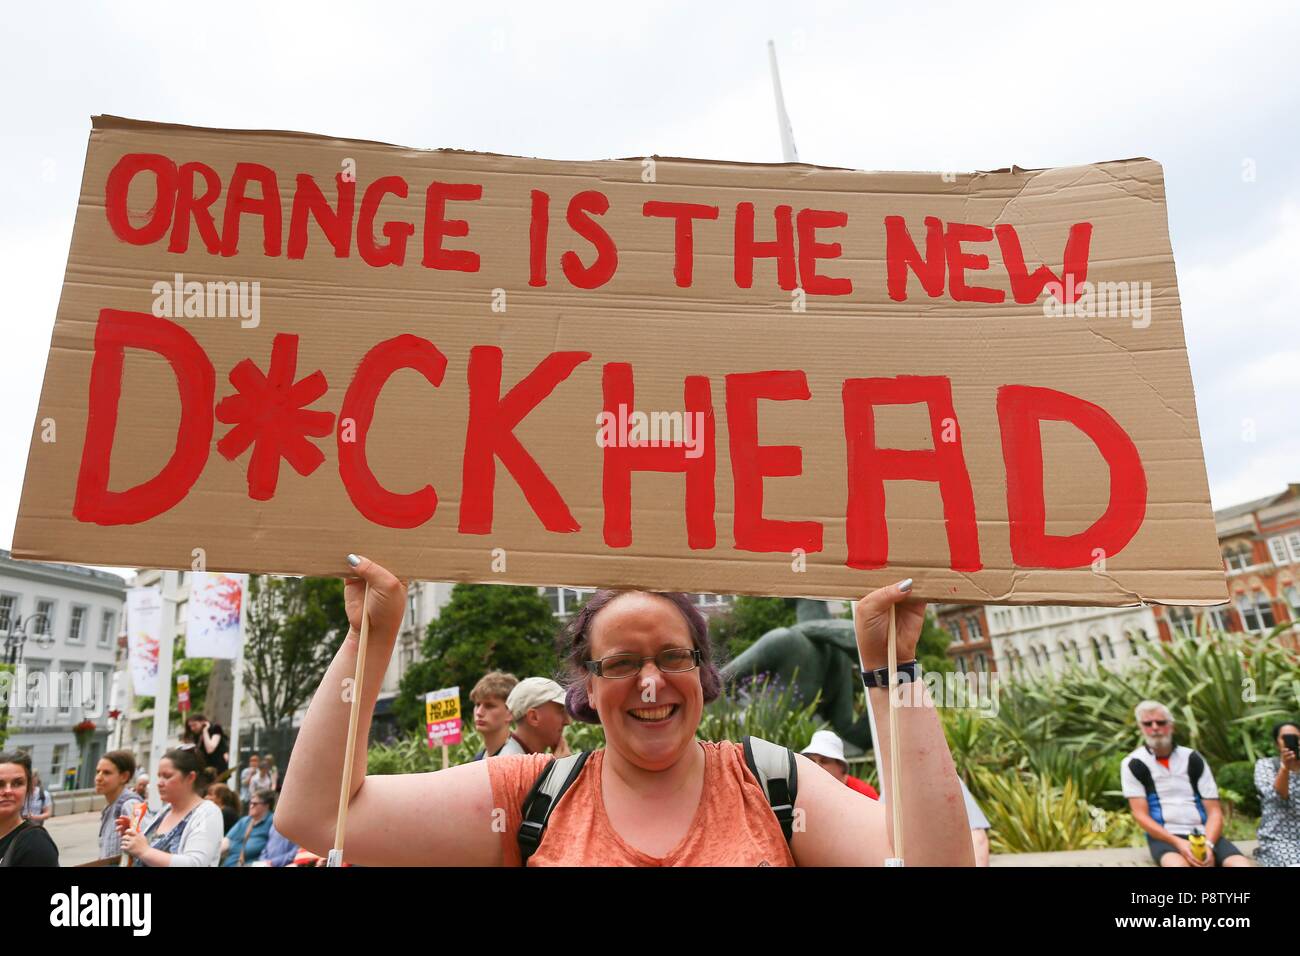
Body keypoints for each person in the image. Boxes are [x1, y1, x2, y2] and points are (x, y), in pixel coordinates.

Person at [276, 555, 973, 866]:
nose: (650, 684)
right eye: (621, 664)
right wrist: (370, 638)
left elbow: (937, 867)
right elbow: (313, 814)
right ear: (585, 684)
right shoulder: (530, 798)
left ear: (703, 673)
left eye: (672, 657)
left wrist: (891, 668)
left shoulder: (773, 784)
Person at [1121, 700, 1250, 867]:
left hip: (1204, 833)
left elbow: (1215, 811)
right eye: (1148, 724)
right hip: (1165, 837)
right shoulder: (1133, 763)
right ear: (1141, 728)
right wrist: (1178, 843)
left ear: (1171, 726)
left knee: (1241, 865)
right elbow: (1140, 815)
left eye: (1161, 722)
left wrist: (1208, 845)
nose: (1155, 727)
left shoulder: (1193, 758)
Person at [117, 747, 224, 867]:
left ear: (190, 777)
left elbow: (195, 863)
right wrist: (133, 835)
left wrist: (144, 851)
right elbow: (147, 851)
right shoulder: (166, 810)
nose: (159, 782)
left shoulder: (207, 813)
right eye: (159, 776)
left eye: (167, 776)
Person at [0, 752, 59, 866]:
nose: (8, 791)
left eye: (17, 783)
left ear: (28, 789)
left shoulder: (35, 843)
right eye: (0, 784)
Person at [1254, 719, 1300, 867]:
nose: (1291, 741)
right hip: (1280, 839)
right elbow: (1278, 797)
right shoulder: (1266, 766)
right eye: (1285, 738)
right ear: (1276, 743)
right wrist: (1285, 769)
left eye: (1296, 738)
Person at [497, 677, 571, 756]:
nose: (567, 721)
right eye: (561, 711)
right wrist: (560, 767)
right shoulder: (512, 763)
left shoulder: (517, 759)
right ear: (533, 717)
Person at [800, 729, 879, 798]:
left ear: (841, 766)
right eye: (812, 761)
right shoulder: (803, 790)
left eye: (824, 761)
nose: (816, 766)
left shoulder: (864, 793)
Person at [95, 750, 144, 861]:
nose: (98, 778)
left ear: (124, 777)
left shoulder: (130, 805)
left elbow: (148, 846)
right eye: (97, 772)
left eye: (106, 773)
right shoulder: (109, 808)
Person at [469, 671, 518, 759]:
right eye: (477, 704)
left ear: (510, 712)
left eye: (489, 706)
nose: (479, 712)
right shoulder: (478, 758)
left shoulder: (518, 758)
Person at [221, 789, 276, 866]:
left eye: (254, 804)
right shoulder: (245, 821)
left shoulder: (272, 822)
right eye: (250, 803)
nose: (251, 806)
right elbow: (226, 841)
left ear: (266, 805)